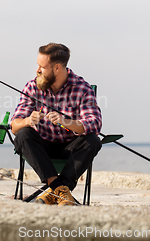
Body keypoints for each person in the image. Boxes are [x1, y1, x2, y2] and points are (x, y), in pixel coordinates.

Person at [11, 43, 102, 206]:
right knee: (23, 134)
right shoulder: (32, 87)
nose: (37, 70)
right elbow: (14, 126)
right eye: (38, 66)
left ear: (57, 68)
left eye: (42, 67)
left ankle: (53, 192)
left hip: (70, 147)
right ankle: (60, 190)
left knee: (93, 140)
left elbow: (94, 123)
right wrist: (27, 121)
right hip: (43, 145)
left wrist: (66, 122)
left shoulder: (82, 88)